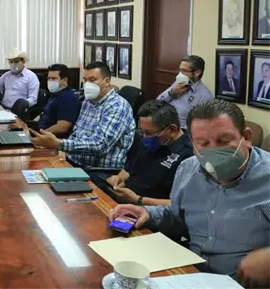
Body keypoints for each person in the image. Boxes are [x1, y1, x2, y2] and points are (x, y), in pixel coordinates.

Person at [109, 100, 270, 285]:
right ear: (192, 144)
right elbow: (176, 218)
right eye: (203, 143)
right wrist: (146, 212)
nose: (214, 150)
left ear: (246, 137)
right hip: (188, 272)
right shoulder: (188, 169)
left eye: (223, 141)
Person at [31, 62, 134, 169]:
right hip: (72, 161)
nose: (87, 84)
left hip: (97, 170)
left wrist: (59, 144)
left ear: (107, 81)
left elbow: (100, 145)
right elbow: (77, 133)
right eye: (85, 80)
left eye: (92, 80)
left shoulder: (117, 106)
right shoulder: (88, 101)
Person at [105, 101, 192, 206]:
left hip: (148, 210)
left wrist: (138, 200)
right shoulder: (150, 142)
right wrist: (119, 179)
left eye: (149, 133)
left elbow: (182, 205)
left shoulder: (189, 156)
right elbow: (128, 170)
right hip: (123, 201)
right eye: (142, 131)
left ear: (172, 130)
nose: (144, 137)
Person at [157, 55, 213, 129]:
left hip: (180, 132)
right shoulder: (178, 83)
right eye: (180, 70)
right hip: (162, 125)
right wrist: (172, 93)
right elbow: (158, 102)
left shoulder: (205, 97)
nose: (180, 74)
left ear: (197, 72)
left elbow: (201, 127)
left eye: (184, 71)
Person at [32, 64, 80, 137]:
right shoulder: (55, 94)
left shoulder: (68, 98)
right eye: (49, 78)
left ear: (64, 80)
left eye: (54, 78)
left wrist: (40, 134)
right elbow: (44, 114)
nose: (50, 81)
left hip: (51, 138)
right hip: (41, 133)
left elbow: (63, 127)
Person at [0, 48, 39, 121]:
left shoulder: (31, 77)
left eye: (16, 61)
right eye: (11, 62)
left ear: (23, 61)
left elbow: (33, 99)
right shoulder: (7, 75)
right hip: (4, 110)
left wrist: (22, 105)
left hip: (21, 113)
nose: (13, 64)